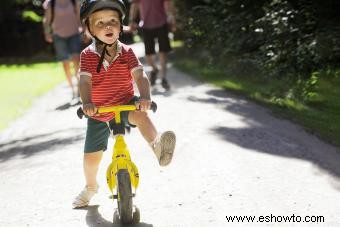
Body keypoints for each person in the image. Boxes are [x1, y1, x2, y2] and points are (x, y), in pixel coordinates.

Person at [72, 0, 176, 208]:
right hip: (99, 110)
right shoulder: (87, 56)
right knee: (91, 158)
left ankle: (158, 147)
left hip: (125, 103)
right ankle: (91, 186)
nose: (107, 26)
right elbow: (84, 81)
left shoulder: (127, 52)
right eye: (100, 23)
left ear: (121, 26)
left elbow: (140, 76)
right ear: (90, 29)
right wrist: (88, 103)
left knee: (141, 115)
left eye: (112, 21)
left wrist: (145, 97)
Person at [128, 0, 176, 90]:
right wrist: (132, 20)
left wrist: (171, 18)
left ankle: (163, 78)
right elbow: (134, 5)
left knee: (163, 52)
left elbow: (168, 4)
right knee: (148, 54)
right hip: (146, 25)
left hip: (162, 24)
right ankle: (154, 69)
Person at [42, 0, 82, 99]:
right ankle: (72, 88)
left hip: (74, 34)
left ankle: (78, 87)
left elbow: (80, 17)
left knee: (76, 59)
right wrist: (47, 32)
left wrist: (83, 28)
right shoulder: (51, 3)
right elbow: (47, 19)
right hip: (58, 36)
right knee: (65, 62)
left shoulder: (74, 1)